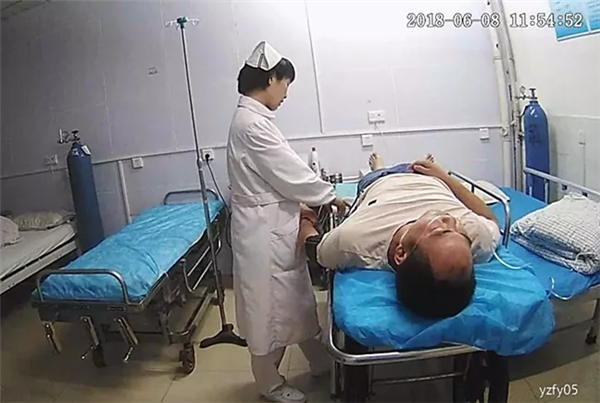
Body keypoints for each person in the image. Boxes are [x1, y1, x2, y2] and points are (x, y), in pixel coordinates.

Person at [226, 41, 347, 403]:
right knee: (267, 311)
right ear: (270, 78)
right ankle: (269, 383)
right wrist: (329, 195)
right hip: (262, 231)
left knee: (295, 299)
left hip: (274, 226)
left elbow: (283, 171)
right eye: (286, 84)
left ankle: (320, 362)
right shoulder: (251, 124)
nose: (286, 93)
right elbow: (289, 171)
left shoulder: (257, 120)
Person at [301, 153, 501, 319]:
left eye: (441, 230)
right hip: (431, 179)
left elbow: (313, 247)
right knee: (420, 165)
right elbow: (491, 219)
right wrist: (444, 177)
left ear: (401, 253)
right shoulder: (476, 236)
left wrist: (305, 220)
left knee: (376, 173)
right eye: (463, 235)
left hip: (380, 182)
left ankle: (378, 166)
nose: (451, 220)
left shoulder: (353, 240)